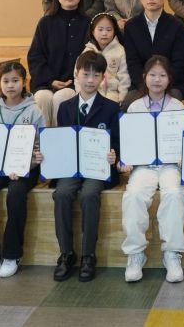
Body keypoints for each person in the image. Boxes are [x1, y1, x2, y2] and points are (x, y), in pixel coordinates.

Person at [49, 51, 119, 282]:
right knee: (61, 193)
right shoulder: (65, 107)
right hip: (71, 167)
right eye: (86, 74)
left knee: (89, 195)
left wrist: (114, 154)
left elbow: (117, 142)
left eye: (96, 75)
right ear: (76, 74)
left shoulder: (111, 108)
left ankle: (88, 256)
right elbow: (60, 141)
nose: (90, 80)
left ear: (103, 78)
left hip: (97, 168)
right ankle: (66, 254)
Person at [120, 55, 184, 284]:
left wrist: (183, 158)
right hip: (144, 166)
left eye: (162, 75)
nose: (157, 79)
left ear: (169, 79)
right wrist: (126, 160)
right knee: (134, 195)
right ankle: (135, 254)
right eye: (152, 75)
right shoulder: (135, 107)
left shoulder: (177, 107)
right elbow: (129, 142)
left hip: (170, 165)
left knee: (174, 193)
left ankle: (172, 254)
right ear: (144, 77)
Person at [0, 61, 46, 278]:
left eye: (15, 80)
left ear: (24, 82)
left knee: (16, 194)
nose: (10, 85)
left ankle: (12, 254)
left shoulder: (34, 110)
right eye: (6, 81)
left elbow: (41, 145)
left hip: (25, 169)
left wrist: (27, 164)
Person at [28, 0, 89, 126]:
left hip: (74, 83)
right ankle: (41, 139)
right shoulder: (45, 23)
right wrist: (51, 81)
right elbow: (35, 56)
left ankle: (59, 139)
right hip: (45, 82)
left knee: (63, 97)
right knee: (42, 97)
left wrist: (75, 80)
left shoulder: (88, 23)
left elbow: (91, 57)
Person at [122, 0, 184, 107]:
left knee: (172, 106)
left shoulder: (176, 25)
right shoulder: (131, 26)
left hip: (170, 86)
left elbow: (180, 62)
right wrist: (146, 85)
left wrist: (163, 83)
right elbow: (132, 62)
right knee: (129, 104)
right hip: (141, 86)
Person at [74, 12, 130, 105]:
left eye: (109, 30)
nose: (104, 33)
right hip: (89, 92)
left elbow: (124, 77)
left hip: (112, 94)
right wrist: (80, 94)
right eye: (100, 29)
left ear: (114, 31)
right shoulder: (87, 51)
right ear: (92, 32)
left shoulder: (120, 51)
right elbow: (78, 75)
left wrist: (122, 97)